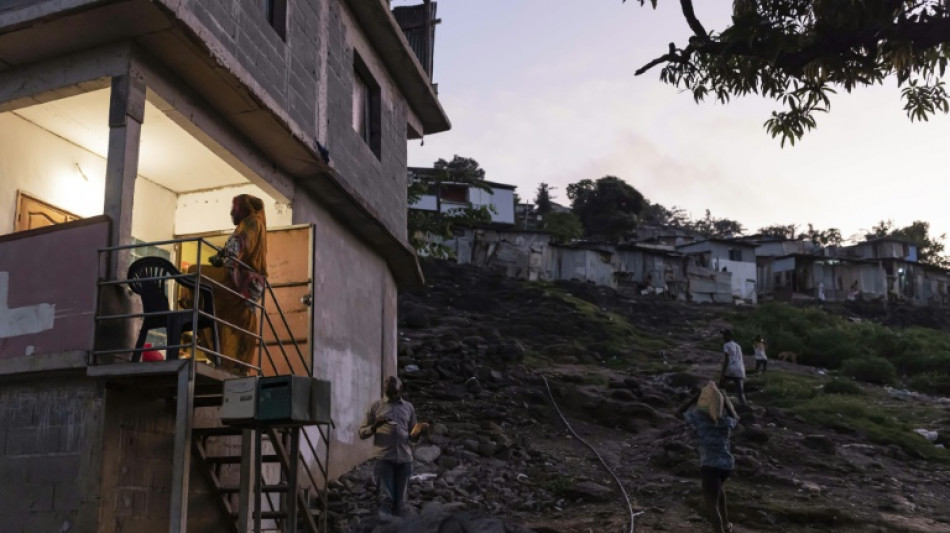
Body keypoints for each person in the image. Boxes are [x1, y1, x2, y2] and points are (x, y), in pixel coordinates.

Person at [181, 194, 267, 371]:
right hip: (243, 281)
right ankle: (200, 313)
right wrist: (222, 256)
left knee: (192, 271)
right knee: (220, 315)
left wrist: (224, 257)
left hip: (237, 279)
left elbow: (241, 243)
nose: (231, 213)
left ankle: (192, 308)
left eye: (234, 208)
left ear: (244, 209)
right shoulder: (252, 223)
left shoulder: (252, 222)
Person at [677, 381, 740, 533]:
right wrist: (725, 400)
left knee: (711, 504)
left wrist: (694, 398)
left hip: (710, 466)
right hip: (726, 465)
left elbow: (677, 413)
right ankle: (726, 524)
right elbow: (736, 416)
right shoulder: (725, 421)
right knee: (719, 491)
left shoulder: (699, 417)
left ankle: (719, 530)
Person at [359, 376, 424, 517]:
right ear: (384, 388)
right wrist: (375, 426)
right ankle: (385, 527)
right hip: (384, 458)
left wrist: (417, 434)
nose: (389, 383)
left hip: (405, 459)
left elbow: (413, 432)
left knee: (401, 503)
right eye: (386, 383)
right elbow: (362, 432)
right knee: (385, 500)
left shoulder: (408, 407)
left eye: (393, 383)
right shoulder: (375, 406)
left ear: (400, 389)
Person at [719, 329, 747, 406]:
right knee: (740, 393)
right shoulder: (738, 346)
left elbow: (727, 360)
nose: (723, 337)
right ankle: (745, 407)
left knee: (721, 388)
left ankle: (722, 405)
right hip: (740, 370)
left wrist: (722, 375)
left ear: (730, 336)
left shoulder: (726, 345)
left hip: (730, 369)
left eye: (725, 335)